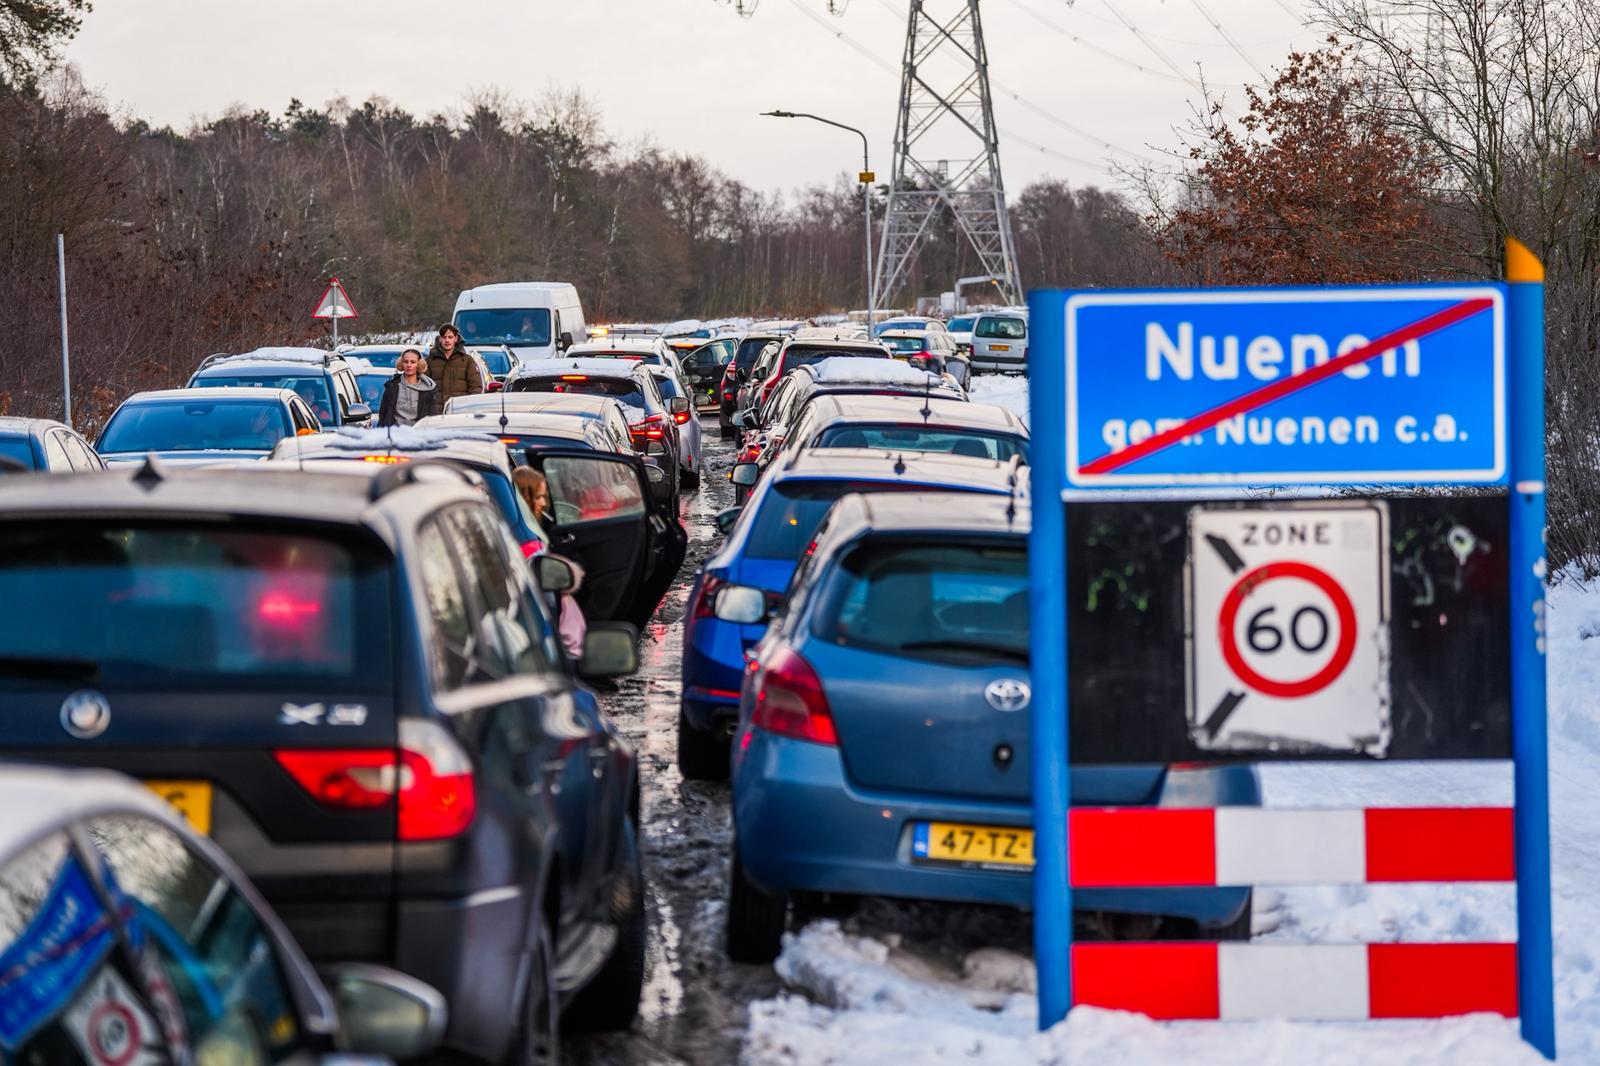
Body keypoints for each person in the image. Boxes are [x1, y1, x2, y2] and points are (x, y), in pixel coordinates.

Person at [377, 349, 439, 427]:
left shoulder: (428, 389)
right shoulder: (392, 387)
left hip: (419, 433)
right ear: (401, 364)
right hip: (394, 432)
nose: (409, 365)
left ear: (419, 364)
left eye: (413, 362)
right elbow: (383, 415)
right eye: (406, 362)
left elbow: (433, 416)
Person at [428, 322, 483, 408]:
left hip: (459, 410)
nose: (447, 340)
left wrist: (468, 406)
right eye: (444, 337)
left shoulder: (467, 360)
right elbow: (424, 387)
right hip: (436, 411)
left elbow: (476, 387)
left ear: (456, 338)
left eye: (450, 337)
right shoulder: (430, 361)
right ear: (440, 339)